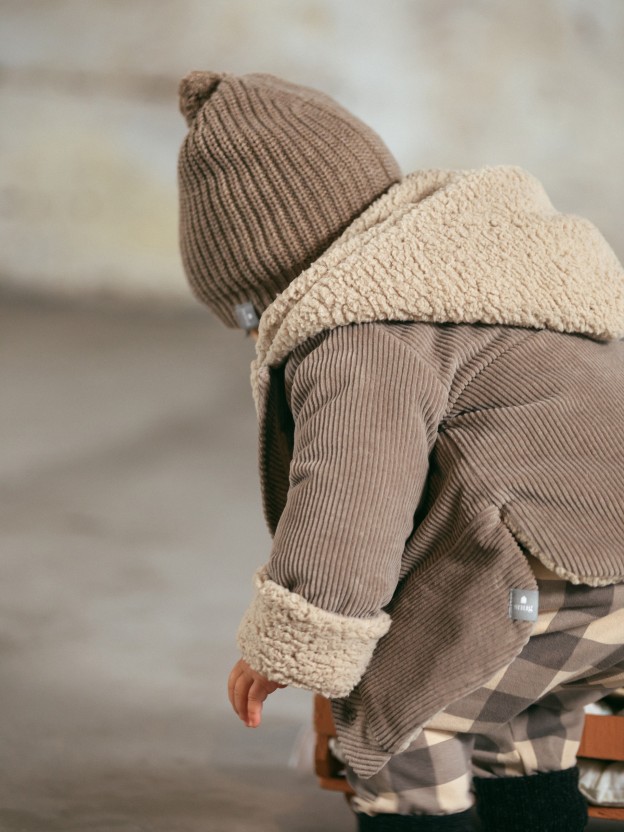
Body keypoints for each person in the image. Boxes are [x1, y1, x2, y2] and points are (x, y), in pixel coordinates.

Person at [176, 70, 624, 832]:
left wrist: (293, 644)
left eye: (250, 317)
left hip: (547, 580)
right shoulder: (505, 284)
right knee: (521, 718)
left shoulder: (360, 335)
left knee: (395, 715)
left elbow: (352, 496)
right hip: (603, 591)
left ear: (275, 285)